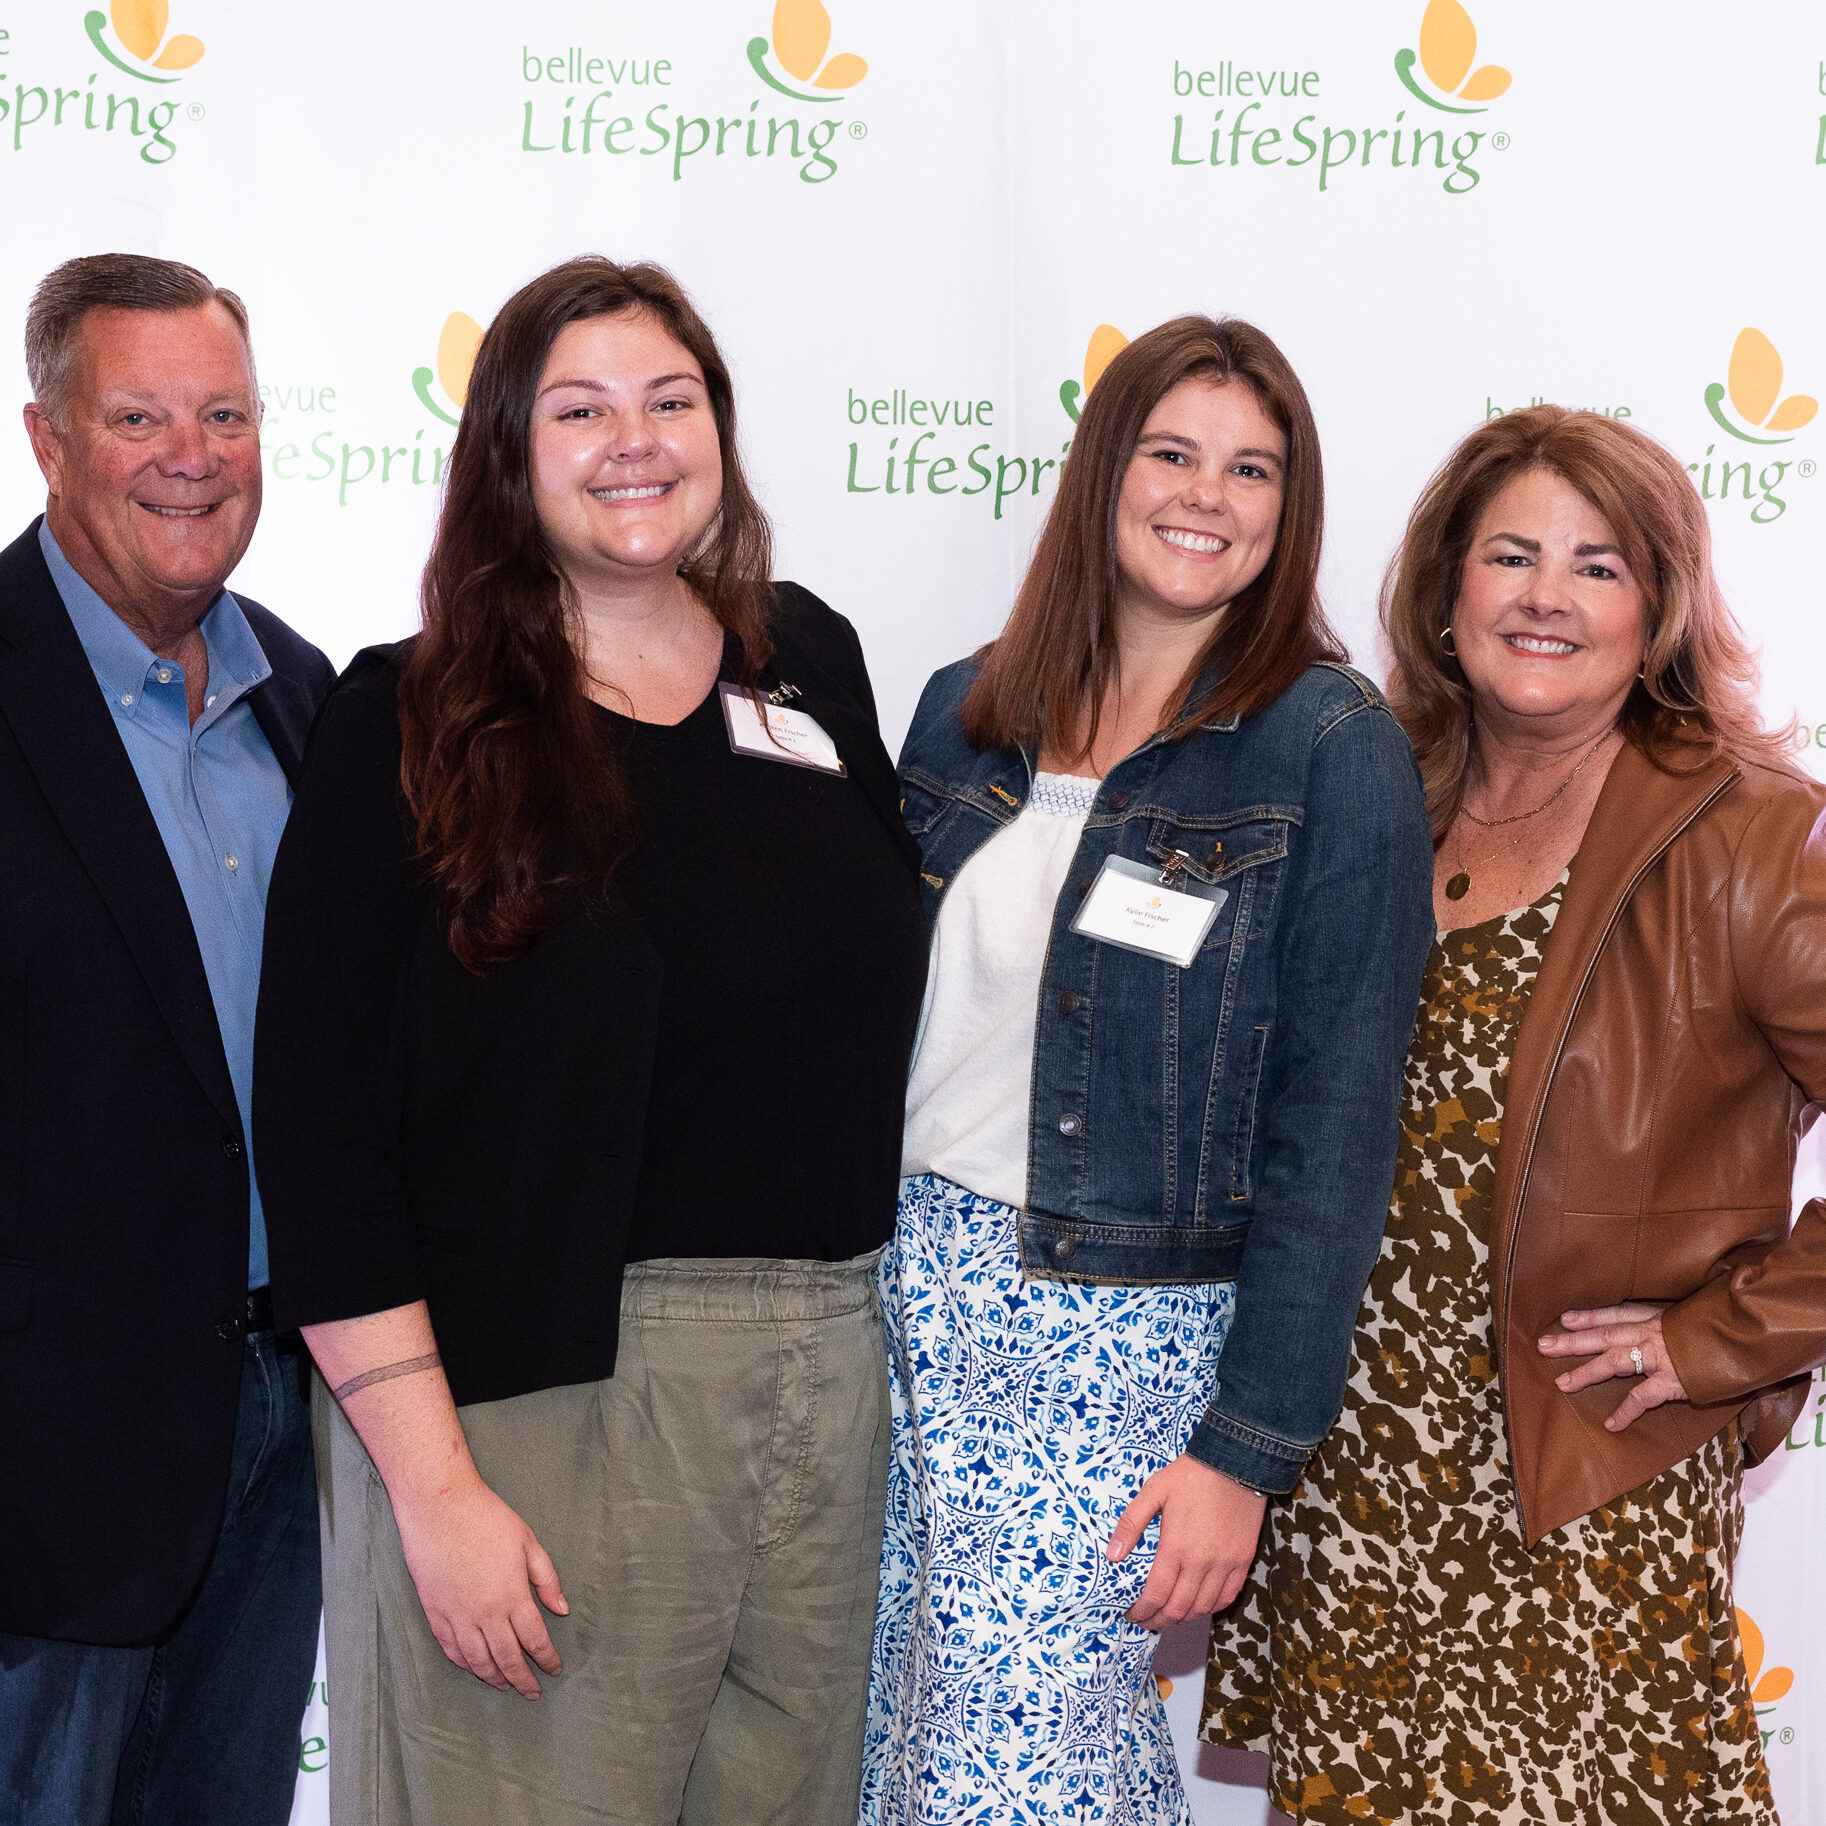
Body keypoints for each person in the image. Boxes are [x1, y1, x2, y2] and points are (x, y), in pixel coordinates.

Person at [254, 256, 927, 1826]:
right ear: (508, 448)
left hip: (822, 1376)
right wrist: (432, 1487)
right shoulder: (406, 716)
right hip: (533, 1398)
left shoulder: (809, 663)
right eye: (580, 409)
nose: (634, 439)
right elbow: (322, 1139)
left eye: (669, 400)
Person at [1203, 405, 1826, 1823]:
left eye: (1598, 566)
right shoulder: (1379, 799)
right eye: (1511, 556)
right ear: (1445, 593)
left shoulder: (1749, 834)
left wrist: (1717, 1342)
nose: (1547, 596)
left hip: (1581, 1491)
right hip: (1350, 1473)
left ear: (1657, 611)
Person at [860, 316, 1436, 1824]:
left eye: (1252, 469)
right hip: (896, 1289)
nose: (1206, 495)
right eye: (1172, 452)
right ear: (1103, 472)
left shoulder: (1327, 746)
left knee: (1013, 1764)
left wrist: (1244, 1450)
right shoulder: (962, 709)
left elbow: (1336, 1127)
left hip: (1115, 1326)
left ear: (1289, 510)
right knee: (896, 1742)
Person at [0, 255, 332, 1824]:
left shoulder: (307, 698)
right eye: (137, 417)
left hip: (284, 1420)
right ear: (48, 439)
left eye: (226, 415)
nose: (190, 457)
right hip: (42, 1457)